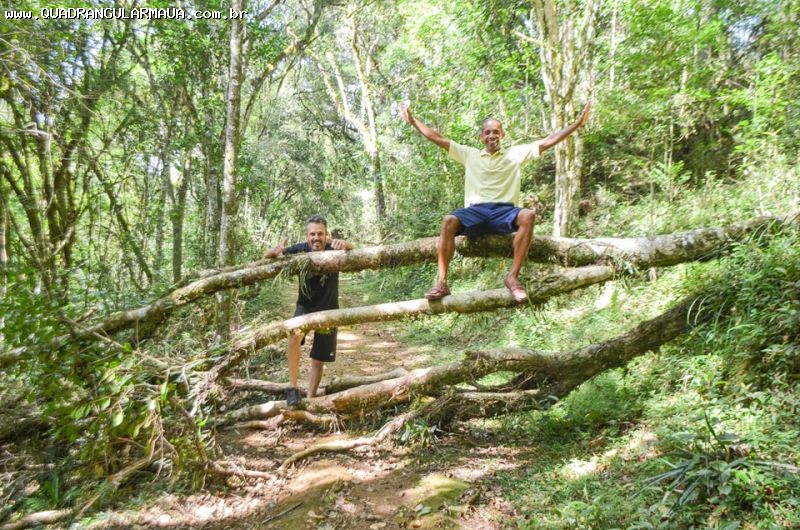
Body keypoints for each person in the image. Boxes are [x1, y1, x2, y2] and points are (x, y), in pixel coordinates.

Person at [400, 102, 592, 302]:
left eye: (496, 132)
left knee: (528, 215)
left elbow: (547, 142)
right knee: (448, 221)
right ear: (481, 137)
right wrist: (413, 121)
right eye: (488, 132)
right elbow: (437, 138)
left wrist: (577, 124)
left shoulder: (515, 154)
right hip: (475, 212)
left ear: (503, 135)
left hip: (504, 212)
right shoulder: (469, 154)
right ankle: (442, 283)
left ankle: (512, 277)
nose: (492, 135)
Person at [263, 216, 354, 406]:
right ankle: (293, 388)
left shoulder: (334, 248)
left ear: (326, 235)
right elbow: (268, 256)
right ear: (307, 236)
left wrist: (346, 245)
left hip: (329, 309)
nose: (316, 238)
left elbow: (353, 250)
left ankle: (310, 400)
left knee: (318, 360)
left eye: (320, 234)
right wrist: (272, 252)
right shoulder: (300, 249)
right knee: (294, 336)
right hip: (305, 306)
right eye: (312, 234)